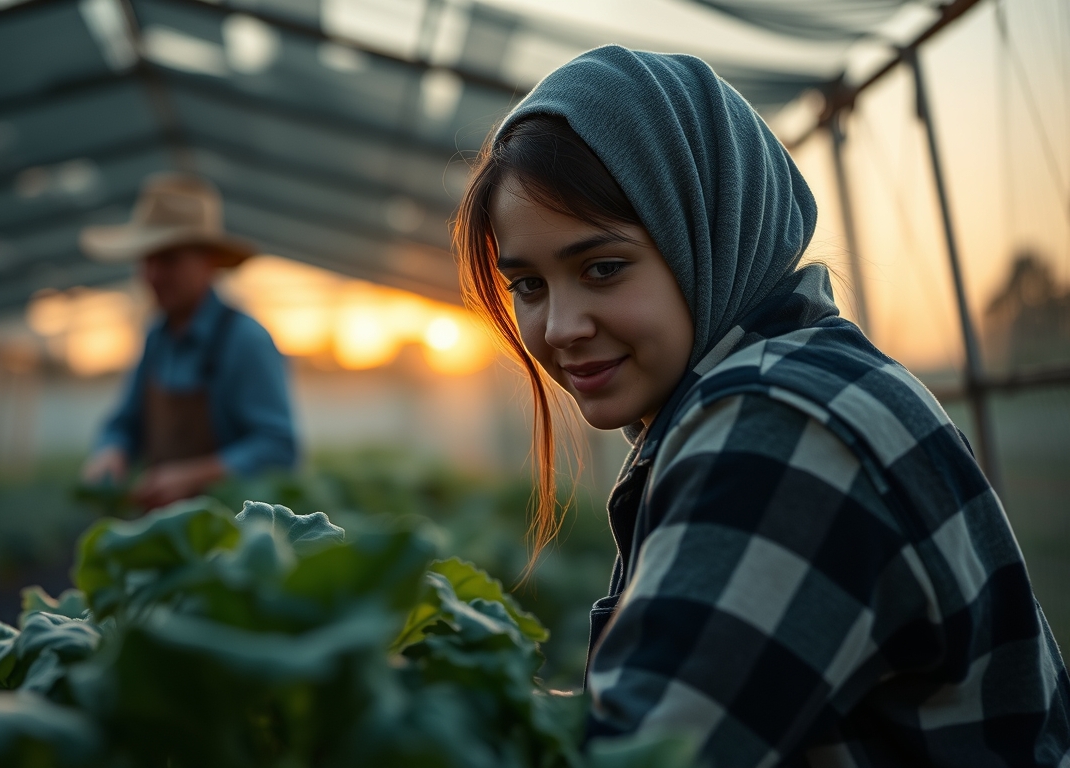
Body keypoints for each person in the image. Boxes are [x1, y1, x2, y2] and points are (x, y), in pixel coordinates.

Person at [453, 46, 1070, 766]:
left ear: (706, 237)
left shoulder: (778, 425)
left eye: (603, 268)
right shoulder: (798, 378)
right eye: (529, 286)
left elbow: (644, 756)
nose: (559, 327)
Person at [78, 174, 296, 509]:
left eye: (168, 259)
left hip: (231, 538)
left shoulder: (245, 340)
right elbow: (126, 423)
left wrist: (195, 476)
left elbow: (279, 447)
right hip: (167, 533)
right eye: (147, 259)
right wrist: (112, 451)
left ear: (207, 262)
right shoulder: (157, 338)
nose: (152, 275)